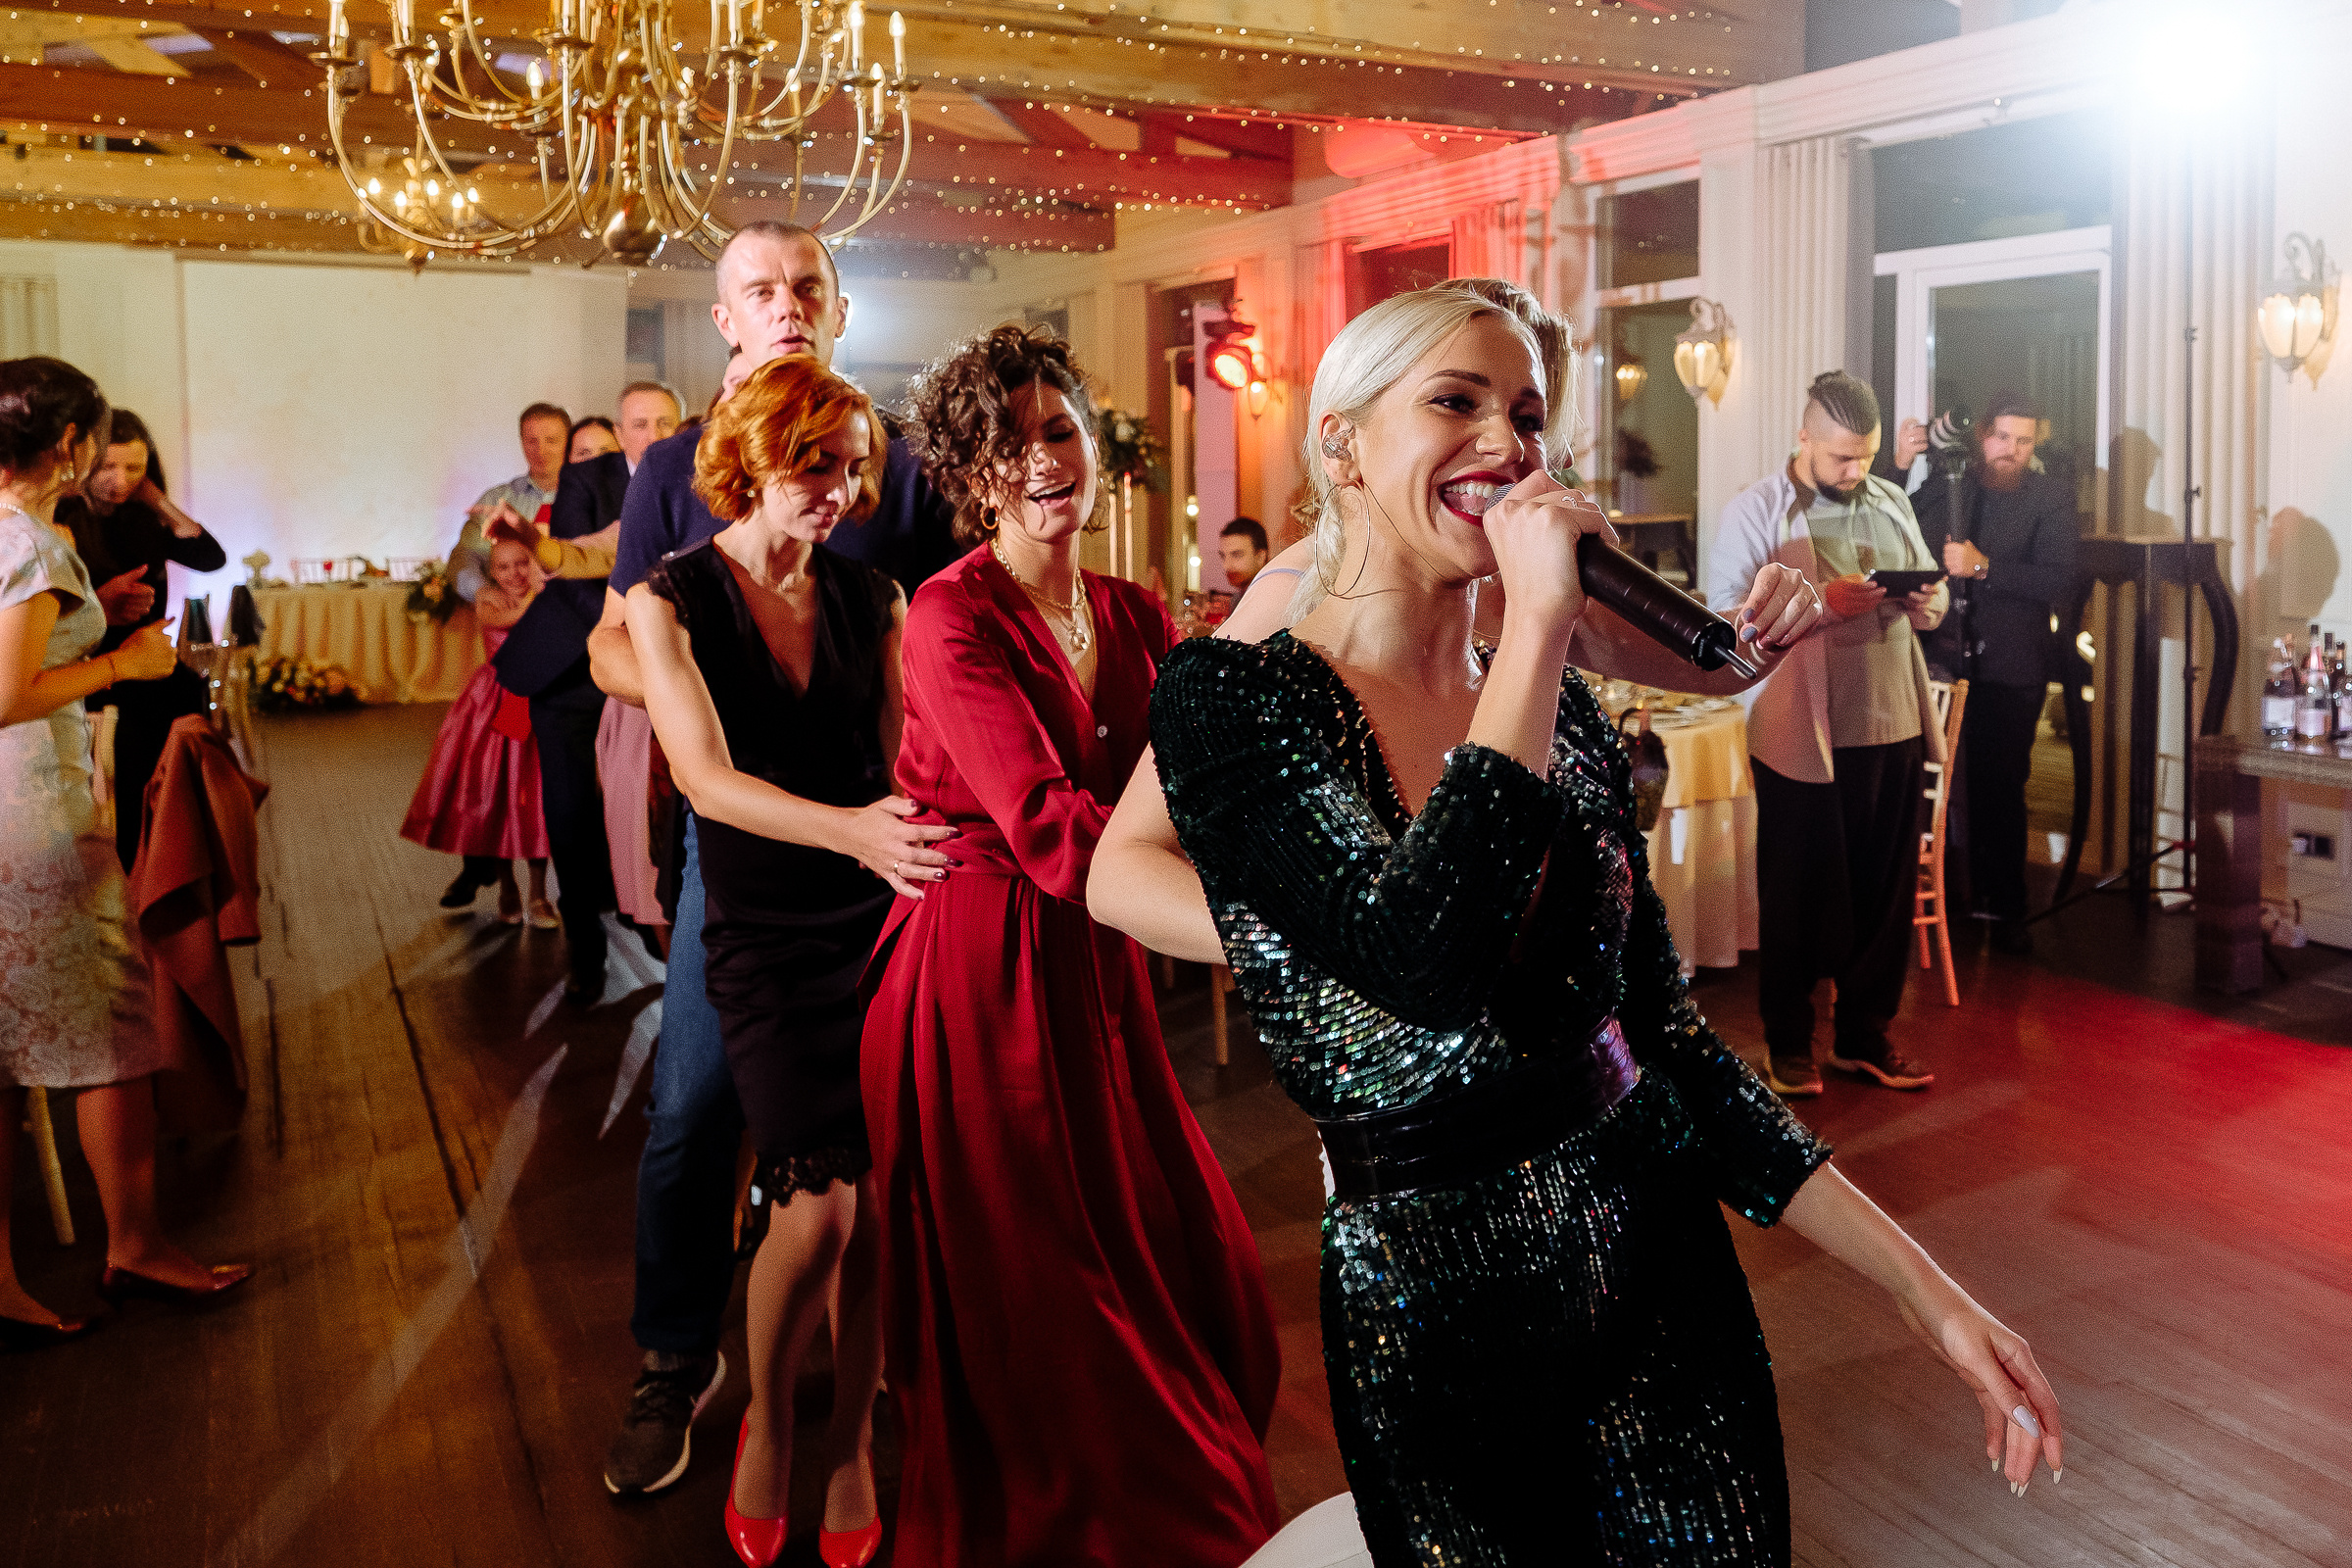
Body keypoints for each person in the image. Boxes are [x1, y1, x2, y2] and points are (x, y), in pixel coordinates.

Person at [1134, 290, 2061, 1564]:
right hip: (1438, 1340)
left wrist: (1925, 1291)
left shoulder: (1558, 715)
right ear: (1343, 444)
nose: (1506, 445)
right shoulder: (1231, 703)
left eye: (1524, 416)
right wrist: (1538, 632)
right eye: (1454, 403)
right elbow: (1425, 957)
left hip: (1664, 1297)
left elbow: (1669, 1051)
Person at [859, 323, 1282, 1567]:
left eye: (1059, 431)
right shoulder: (948, 615)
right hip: (979, 979)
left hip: (1098, 964)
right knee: (1049, 1295)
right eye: (1006, 445)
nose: (1041, 459)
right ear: (970, 476)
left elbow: (1199, 782)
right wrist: (1262, 923)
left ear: (1096, 451)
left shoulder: (1134, 611)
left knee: (1193, 1253)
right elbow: (1050, 829)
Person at [586, 220, 957, 1499]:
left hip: (869, 850)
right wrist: (713, 685)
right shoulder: (671, 475)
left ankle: (858, 1372)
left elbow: (926, 644)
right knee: (692, 1102)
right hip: (746, 850)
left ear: (838, 310)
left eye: (809, 286)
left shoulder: (889, 470)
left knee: (883, 1138)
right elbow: (606, 652)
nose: (788, 303)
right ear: (726, 324)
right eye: (761, 289)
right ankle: (675, 1358)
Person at [0, 356, 251, 1349]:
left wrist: (88, 606)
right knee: (113, 1032)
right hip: (38, 825)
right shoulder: (30, 539)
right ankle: (136, 1242)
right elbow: (9, 695)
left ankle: (8, 1277)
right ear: (66, 445)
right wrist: (124, 660)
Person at [1709, 371, 1949, 1098]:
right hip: (1798, 730)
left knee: (1883, 894)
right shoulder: (1756, 509)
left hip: (1891, 718)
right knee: (1796, 895)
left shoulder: (1891, 498)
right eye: (1842, 456)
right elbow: (1728, 623)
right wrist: (1823, 607)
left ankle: (1864, 1037)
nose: (1856, 471)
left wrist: (1925, 599)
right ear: (1804, 437)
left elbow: (1932, 613)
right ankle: (1789, 1044)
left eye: (1866, 456)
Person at [1910, 395, 2078, 956]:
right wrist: (1902, 462)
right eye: (2002, 438)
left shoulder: (2048, 497)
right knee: (1929, 783)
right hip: (1940, 656)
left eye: (2024, 441)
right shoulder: (1949, 484)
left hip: (2011, 664)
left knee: (2001, 785)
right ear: (1982, 437)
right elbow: (1897, 524)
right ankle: (1943, 894)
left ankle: (2005, 907)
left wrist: (1983, 567)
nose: (2012, 451)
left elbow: (2057, 580)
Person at [54, 409, 228, 871]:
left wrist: (158, 501)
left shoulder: (141, 516)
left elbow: (211, 557)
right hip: (88, 665)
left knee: (187, 702)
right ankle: (131, 859)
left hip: (147, 665)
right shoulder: (61, 517)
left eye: (135, 467)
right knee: (136, 740)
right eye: (109, 467)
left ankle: (174, 848)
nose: (121, 479)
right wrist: (102, 605)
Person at [398, 537, 556, 928]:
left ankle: (538, 892)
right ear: (491, 573)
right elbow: (514, 621)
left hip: (540, 699)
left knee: (537, 803)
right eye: (503, 568)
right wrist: (545, 591)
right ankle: (507, 888)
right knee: (495, 799)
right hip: (496, 702)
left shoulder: (542, 598)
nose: (513, 574)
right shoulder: (491, 602)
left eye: (521, 564)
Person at [449, 402, 569, 603]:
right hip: (511, 620)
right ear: (521, 441)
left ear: (568, 442)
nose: (541, 449)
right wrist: (482, 592)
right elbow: (465, 555)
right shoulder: (496, 500)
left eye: (551, 440)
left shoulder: (590, 498)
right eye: (532, 440)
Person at [616, 380, 683, 467]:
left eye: (665, 424)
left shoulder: (698, 475)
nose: (654, 438)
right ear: (619, 435)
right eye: (640, 425)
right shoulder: (596, 477)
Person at [1217, 514, 1270, 591]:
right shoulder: (1240, 595)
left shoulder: (1272, 594)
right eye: (1223, 556)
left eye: (1236, 555)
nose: (1227, 566)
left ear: (1260, 557)